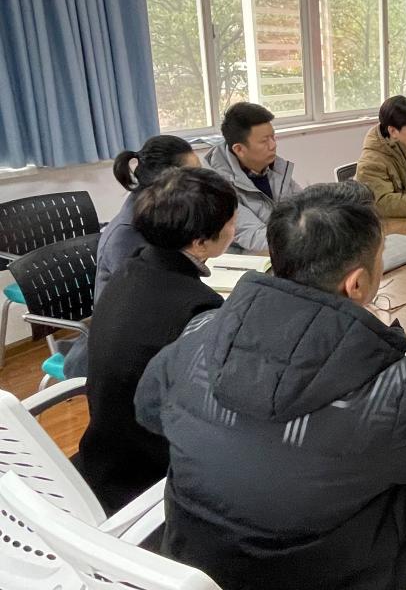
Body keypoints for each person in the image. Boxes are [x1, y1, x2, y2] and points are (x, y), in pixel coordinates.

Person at [134, 182, 406, 590]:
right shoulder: (392, 391)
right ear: (357, 284)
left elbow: (148, 408)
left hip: (194, 563)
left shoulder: (201, 332)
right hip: (324, 572)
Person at [76, 168, 237, 514]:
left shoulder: (131, 268)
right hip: (147, 473)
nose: (234, 228)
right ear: (200, 243)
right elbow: (213, 405)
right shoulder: (196, 305)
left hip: (103, 452)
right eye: (231, 222)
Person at [64, 135, 200, 379]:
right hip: (125, 344)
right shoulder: (127, 234)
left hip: (158, 323)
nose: (201, 182)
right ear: (169, 181)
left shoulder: (162, 213)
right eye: (194, 175)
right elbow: (144, 304)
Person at [205, 102, 302, 253]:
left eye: (273, 137)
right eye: (264, 141)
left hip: (285, 248)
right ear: (239, 149)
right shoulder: (216, 186)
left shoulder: (275, 167)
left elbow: (306, 205)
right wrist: (307, 241)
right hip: (250, 258)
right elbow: (253, 236)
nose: (273, 145)